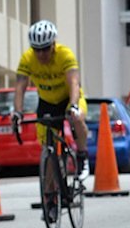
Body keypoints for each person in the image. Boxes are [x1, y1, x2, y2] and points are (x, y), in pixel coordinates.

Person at [11, 19, 89, 177]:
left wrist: (73, 106)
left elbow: (74, 82)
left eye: (45, 49)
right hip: (47, 103)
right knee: (48, 150)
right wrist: (18, 112)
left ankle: (82, 155)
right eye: (36, 49)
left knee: (78, 117)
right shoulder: (27, 59)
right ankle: (50, 197)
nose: (41, 54)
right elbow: (20, 87)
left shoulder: (65, 55)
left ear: (54, 44)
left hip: (69, 98)